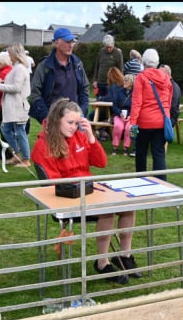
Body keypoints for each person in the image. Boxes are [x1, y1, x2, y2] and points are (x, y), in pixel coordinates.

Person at [31, 98, 139, 285]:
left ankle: (124, 255)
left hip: (89, 190)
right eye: (70, 122)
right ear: (57, 120)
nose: (74, 127)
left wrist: (91, 137)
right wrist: (83, 187)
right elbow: (53, 185)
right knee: (108, 210)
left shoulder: (80, 137)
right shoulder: (43, 145)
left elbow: (101, 162)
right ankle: (102, 263)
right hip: (67, 197)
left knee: (128, 205)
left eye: (77, 123)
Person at [29, 27, 89, 125]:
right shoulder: (45, 66)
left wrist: (82, 111)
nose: (71, 45)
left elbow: (85, 88)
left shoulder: (77, 64)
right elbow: (35, 93)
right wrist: (46, 116)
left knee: (79, 141)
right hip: (54, 121)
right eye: (67, 42)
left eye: (72, 42)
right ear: (56, 43)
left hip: (75, 120)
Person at [129, 48, 172, 181]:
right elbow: (168, 101)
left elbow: (136, 103)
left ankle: (140, 181)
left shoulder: (141, 77)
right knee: (159, 154)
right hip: (161, 122)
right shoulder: (166, 78)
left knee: (141, 153)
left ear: (144, 62)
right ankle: (161, 183)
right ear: (157, 62)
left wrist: (133, 123)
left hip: (144, 122)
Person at [0, 43, 31, 168]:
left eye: (10, 54)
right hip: (13, 106)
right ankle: (17, 155)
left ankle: (26, 160)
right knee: (6, 129)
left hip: (18, 106)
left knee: (20, 132)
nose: (9, 56)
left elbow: (16, 87)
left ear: (15, 54)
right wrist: (1, 85)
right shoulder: (16, 67)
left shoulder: (20, 68)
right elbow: (13, 84)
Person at [0, 50, 15, 161]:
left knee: (4, 129)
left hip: (5, 104)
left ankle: (6, 153)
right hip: (12, 105)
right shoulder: (12, 70)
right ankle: (9, 152)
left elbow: (1, 90)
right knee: (9, 129)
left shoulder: (3, 73)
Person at [105, 67, 129, 156]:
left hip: (127, 115)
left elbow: (109, 99)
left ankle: (125, 148)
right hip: (119, 113)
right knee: (119, 126)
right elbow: (114, 104)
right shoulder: (120, 88)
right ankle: (115, 146)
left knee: (129, 128)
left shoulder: (114, 87)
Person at [93, 34, 123, 99]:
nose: (109, 49)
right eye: (107, 47)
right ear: (104, 45)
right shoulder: (101, 51)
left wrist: (120, 82)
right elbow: (97, 66)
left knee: (110, 104)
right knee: (99, 102)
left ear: (113, 44)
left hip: (111, 83)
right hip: (100, 82)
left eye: (110, 47)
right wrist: (95, 80)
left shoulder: (117, 53)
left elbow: (120, 69)